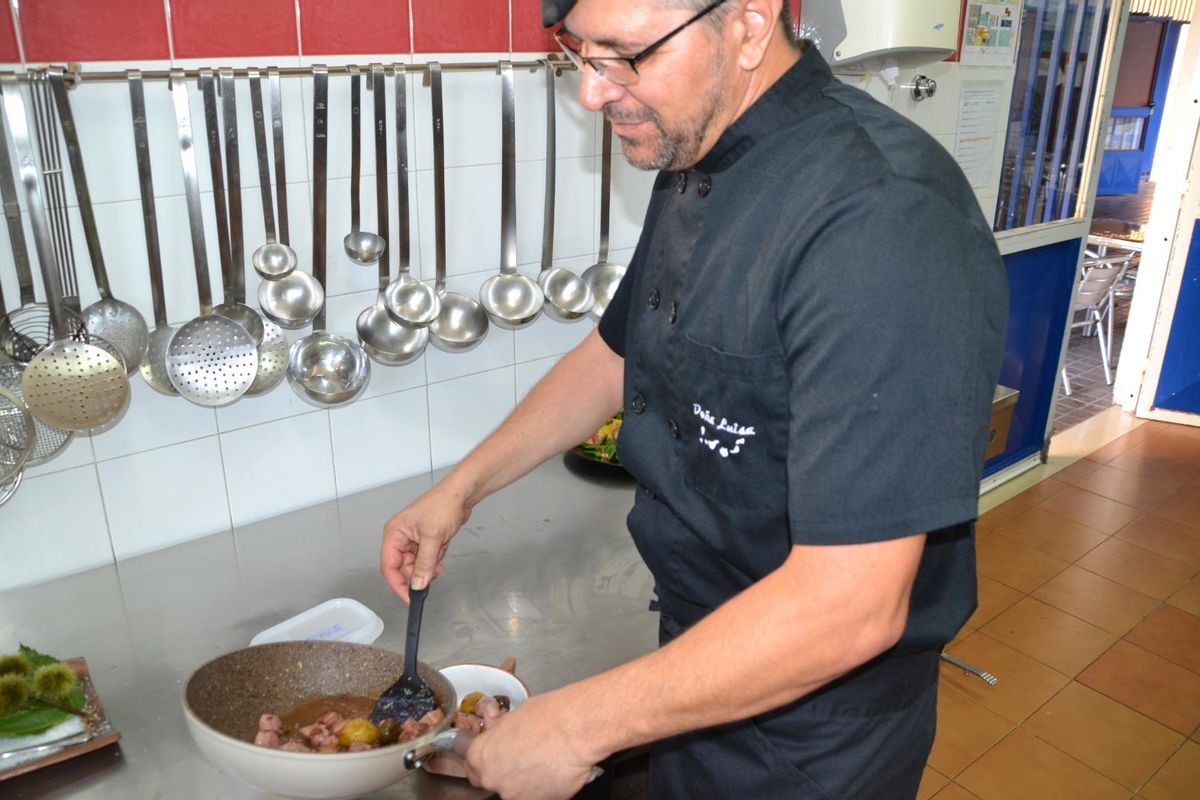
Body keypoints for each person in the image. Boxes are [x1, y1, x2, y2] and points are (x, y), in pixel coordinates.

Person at [380, 0, 1009, 797]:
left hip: (813, 732)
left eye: (625, 56)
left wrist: (574, 725)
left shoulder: (881, 220)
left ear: (749, 22)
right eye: (580, 53)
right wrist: (458, 490)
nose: (593, 94)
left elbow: (850, 607)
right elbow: (615, 353)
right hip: (698, 660)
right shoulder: (700, 148)